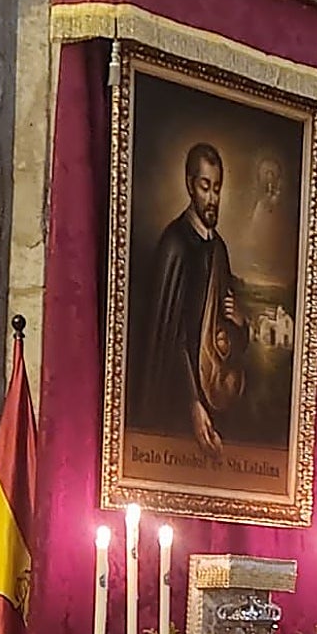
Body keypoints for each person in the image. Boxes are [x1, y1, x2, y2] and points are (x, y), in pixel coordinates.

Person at [128, 143, 248, 455]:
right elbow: (169, 338)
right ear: (189, 185)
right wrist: (192, 403)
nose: (212, 198)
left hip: (216, 395)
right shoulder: (175, 244)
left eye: (217, 188)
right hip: (178, 403)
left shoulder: (218, 248)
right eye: (205, 186)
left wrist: (240, 325)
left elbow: (223, 335)